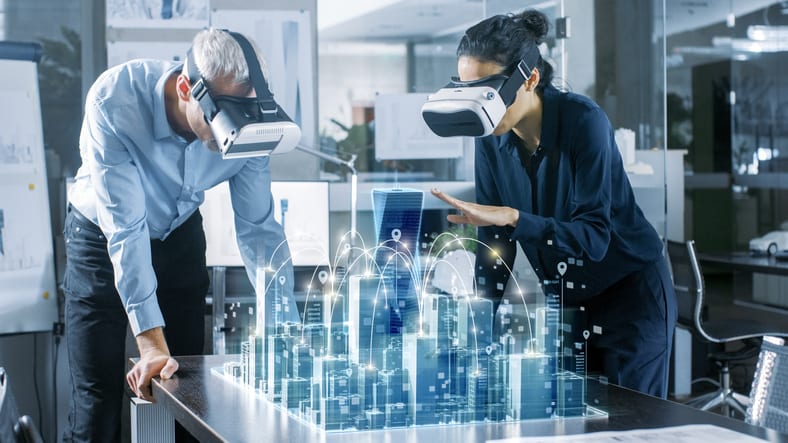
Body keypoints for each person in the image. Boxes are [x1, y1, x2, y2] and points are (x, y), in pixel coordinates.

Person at [62, 28, 297, 442]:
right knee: (96, 402)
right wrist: (150, 342)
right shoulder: (114, 101)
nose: (235, 132)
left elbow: (260, 231)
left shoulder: (253, 124)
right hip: (101, 239)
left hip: (179, 232)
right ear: (187, 88)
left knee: (186, 395)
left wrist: (288, 332)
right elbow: (126, 231)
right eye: (224, 115)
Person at [431, 10, 677, 398]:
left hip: (629, 294)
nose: (476, 105)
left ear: (528, 79)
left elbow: (594, 238)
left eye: (486, 91)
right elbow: (497, 243)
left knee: (634, 424)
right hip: (568, 298)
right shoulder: (491, 138)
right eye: (466, 89)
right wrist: (475, 330)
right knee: (572, 419)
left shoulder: (584, 121)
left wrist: (515, 218)